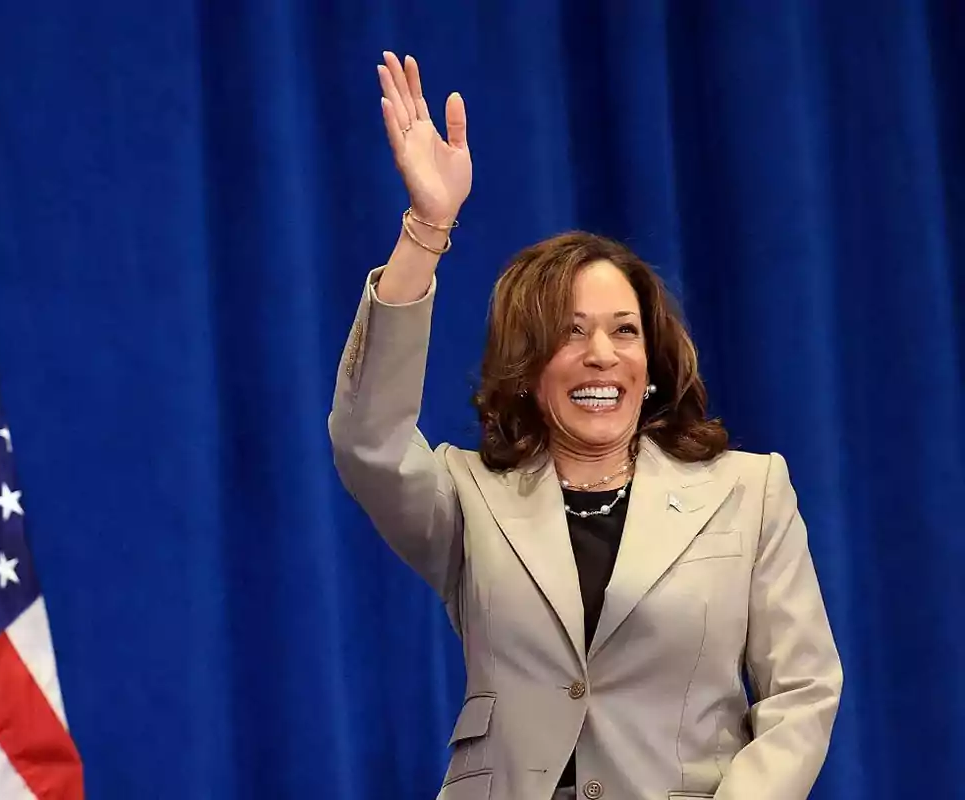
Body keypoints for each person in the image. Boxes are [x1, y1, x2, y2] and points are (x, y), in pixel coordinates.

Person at [327, 52, 843, 800]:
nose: (602, 357)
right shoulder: (468, 498)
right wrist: (427, 229)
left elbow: (802, 694)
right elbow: (365, 439)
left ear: (652, 359)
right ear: (528, 367)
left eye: (624, 332)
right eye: (571, 334)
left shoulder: (749, 491)